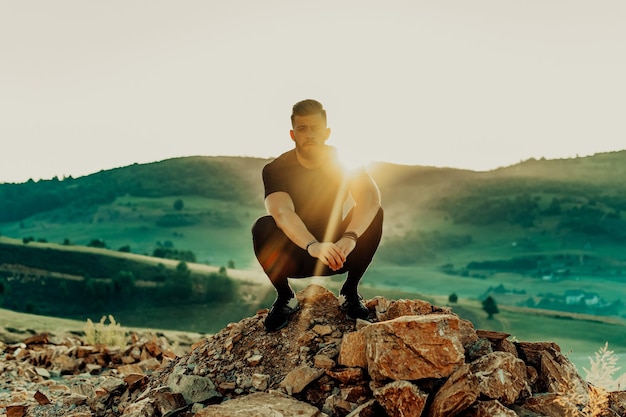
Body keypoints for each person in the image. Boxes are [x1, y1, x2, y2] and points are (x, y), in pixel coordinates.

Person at [251, 99, 384, 332]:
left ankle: (349, 292)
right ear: (293, 135)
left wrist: (349, 237)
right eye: (302, 128)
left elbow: (370, 199)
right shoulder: (276, 169)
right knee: (262, 226)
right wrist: (312, 245)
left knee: (375, 214)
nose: (309, 134)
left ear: (327, 132)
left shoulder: (346, 163)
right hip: (298, 254)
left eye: (315, 128)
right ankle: (285, 298)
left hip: (338, 253)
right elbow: (282, 212)